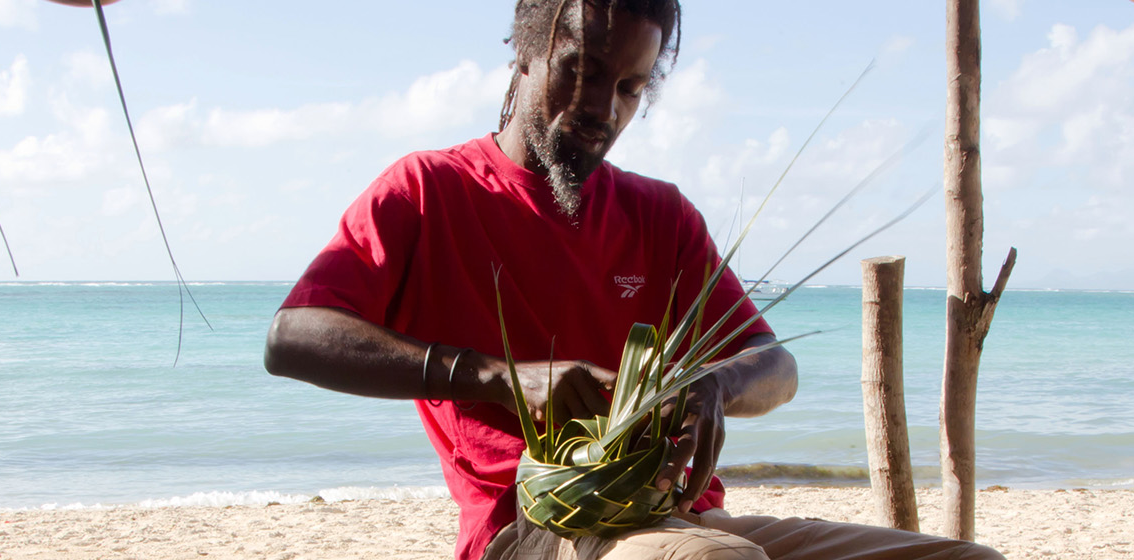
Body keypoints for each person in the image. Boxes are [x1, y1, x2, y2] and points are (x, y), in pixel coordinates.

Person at [265, 2, 1005, 559]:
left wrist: (715, 387)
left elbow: (777, 366)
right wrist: (500, 377)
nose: (601, 108)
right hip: (538, 528)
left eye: (628, 87)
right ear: (525, 57)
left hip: (687, 517)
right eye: (579, 70)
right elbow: (293, 338)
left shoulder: (660, 214)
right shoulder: (429, 191)